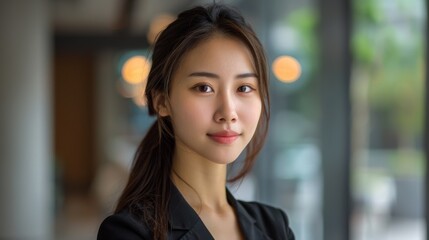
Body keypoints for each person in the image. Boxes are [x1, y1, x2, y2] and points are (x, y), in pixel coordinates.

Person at [97, 3, 295, 240]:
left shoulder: (275, 226)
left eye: (244, 88)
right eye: (204, 88)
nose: (228, 112)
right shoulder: (129, 233)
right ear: (162, 101)